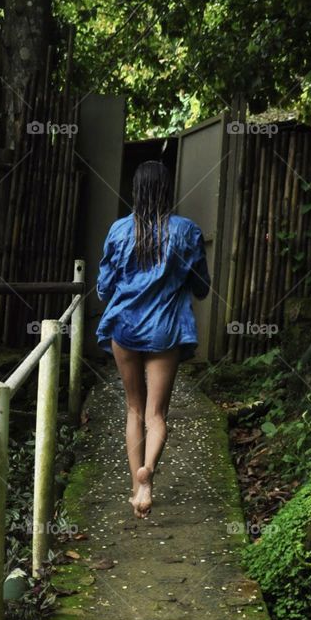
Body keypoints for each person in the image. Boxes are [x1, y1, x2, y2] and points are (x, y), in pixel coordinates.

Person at [96, 160, 210, 518]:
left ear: (136, 191)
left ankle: (136, 487)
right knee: (156, 413)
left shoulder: (118, 231)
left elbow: (103, 288)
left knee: (132, 409)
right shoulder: (187, 231)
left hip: (125, 329)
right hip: (165, 332)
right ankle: (149, 476)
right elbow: (202, 287)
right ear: (166, 190)